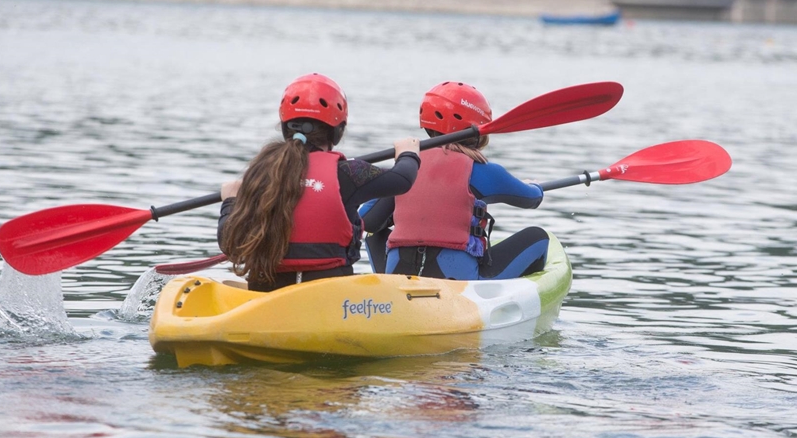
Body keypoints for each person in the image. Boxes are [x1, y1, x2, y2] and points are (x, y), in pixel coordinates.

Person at [218, 73, 420, 291]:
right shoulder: (349, 173)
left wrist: (230, 201)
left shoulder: (260, 172)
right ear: (337, 131)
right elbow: (403, 179)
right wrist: (408, 153)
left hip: (266, 290)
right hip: (330, 291)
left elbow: (229, 243)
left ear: (286, 126)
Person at [362, 81, 549, 280]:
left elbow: (367, 220)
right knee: (538, 237)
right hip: (457, 279)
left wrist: (408, 209)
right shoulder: (484, 171)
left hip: (399, 273)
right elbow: (532, 199)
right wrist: (533, 185)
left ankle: (389, 288)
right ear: (478, 128)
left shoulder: (404, 169)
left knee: (375, 233)